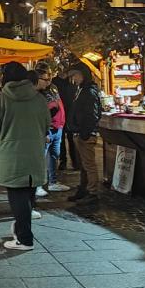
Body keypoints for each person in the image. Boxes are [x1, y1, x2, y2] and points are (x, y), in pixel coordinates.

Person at [0, 62, 50, 251]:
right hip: (34, 152)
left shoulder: (1, 99)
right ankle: (21, 229)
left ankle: (24, 238)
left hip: (12, 154)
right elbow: (47, 124)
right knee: (29, 194)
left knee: (17, 196)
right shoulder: (39, 99)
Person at [66, 65, 102, 205]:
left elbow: (92, 114)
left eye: (76, 75)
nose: (74, 78)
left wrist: (84, 133)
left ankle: (92, 192)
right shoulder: (82, 89)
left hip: (85, 134)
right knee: (84, 164)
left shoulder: (89, 91)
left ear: (83, 75)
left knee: (89, 164)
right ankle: (84, 188)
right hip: (80, 132)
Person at [34, 67, 68, 194]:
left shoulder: (53, 87)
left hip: (58, 127)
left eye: (49, 77)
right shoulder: (37, 94)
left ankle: (53, 181)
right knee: (41, 157)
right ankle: (38, 185)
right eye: (45, 78)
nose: (48, 80)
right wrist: (45, 130)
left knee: (54, 155)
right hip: (48, 129)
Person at [52, 67, 79, 173]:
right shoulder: (55, 83)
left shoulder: (71, 83)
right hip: (60, 115)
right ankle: (65, 161)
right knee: (61, 140)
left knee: (70, 140)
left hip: (69, 115)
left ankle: (73, 162)